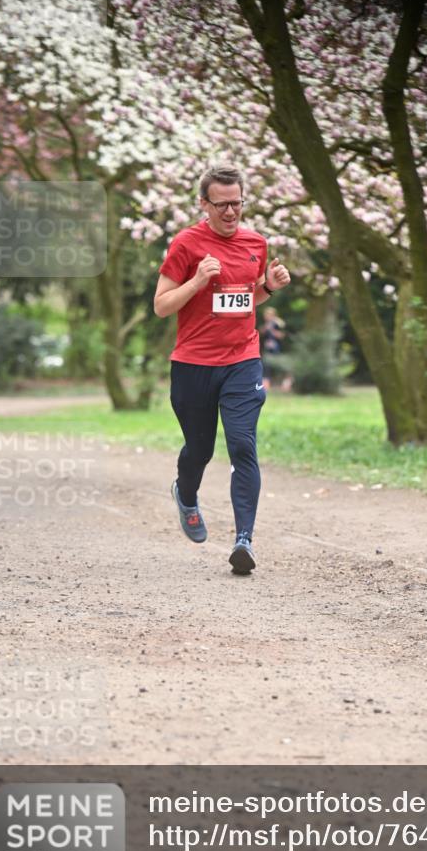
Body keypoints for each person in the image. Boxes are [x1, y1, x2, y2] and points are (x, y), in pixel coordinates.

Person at [154, 165, 291, 574]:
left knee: (243, 444)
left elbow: (245, 300)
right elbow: (162, 306)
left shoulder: (256, 243)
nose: (231, 212)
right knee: (200, 449)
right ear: (204, 204)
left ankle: (243, 541)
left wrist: (268, 286)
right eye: (222, 204)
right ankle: (187, 494)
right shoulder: (186, 244)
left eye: (238, 203)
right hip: (193, 364)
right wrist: (196, 281)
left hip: (242, 359)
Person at [259, 306, 286, 389]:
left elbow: (282, 335)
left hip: (276, 347)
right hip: (267, 348)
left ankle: (285, 382)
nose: (266, 317)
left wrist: (273, 332)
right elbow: (261, 332)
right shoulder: (267, 324)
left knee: (276, 365)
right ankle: (266, 383)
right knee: (266, 365)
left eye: (268, 315)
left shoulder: (278, 323)